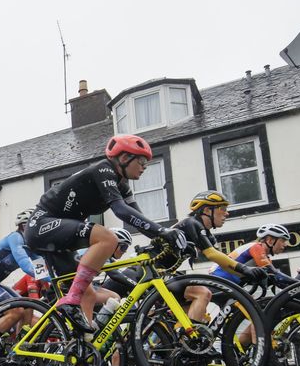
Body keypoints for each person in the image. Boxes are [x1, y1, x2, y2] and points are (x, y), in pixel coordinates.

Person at [23, 134, 188, 332]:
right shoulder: (104, 169)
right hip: (41, 225)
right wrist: (163, 231)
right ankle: (71, 300)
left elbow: (137, 218)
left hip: (59, 237)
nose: (145, 166)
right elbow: (121, 211)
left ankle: (83, 350)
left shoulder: (122, 186)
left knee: (89, 294)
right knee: (107, 238)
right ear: (125, 158)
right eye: (142, 160)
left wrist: (164, 239)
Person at [173, 191, 269, 324]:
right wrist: (245, 268)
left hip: (166, 274)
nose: (227, 213)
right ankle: (191, 341)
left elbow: (223, 262)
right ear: (207, 210)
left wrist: (247, 275)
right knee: (203, 294)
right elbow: (212, 254)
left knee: (193, 318)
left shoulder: (207, 234)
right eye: (222, 209)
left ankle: (177, 340)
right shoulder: (191, 223)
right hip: (154, 273)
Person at [211, 224, 297, 287]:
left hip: (229, 283)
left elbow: (275, 279)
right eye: (283, 240)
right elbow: (275, 273)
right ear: (270, 240)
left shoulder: (264, 256)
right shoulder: (256, 247)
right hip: (219, 278)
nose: (285, 245)